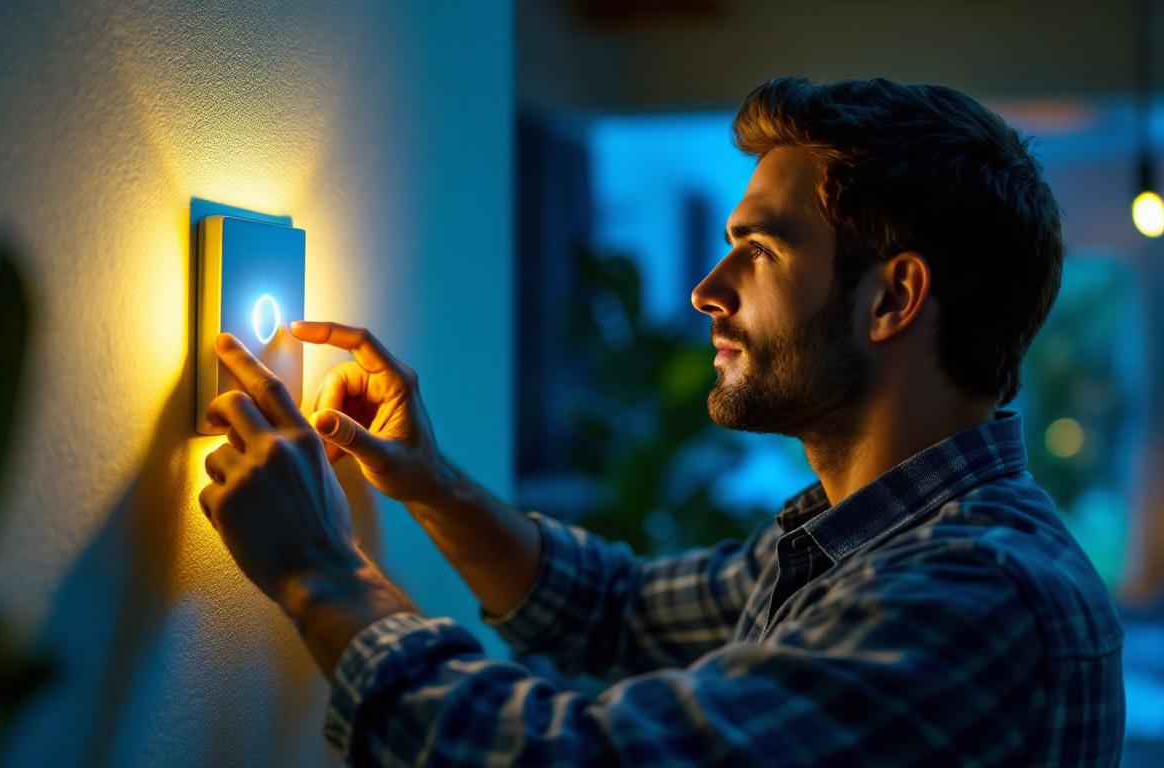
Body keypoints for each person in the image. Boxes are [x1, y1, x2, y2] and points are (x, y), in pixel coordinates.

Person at [196, 77, 1124, 766]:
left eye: (759, 250)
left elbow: (580, 759)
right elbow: (617, 610)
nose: (707, 291)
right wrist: (430, 484)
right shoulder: (862, 540)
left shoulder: (974, 597)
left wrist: (321, 569)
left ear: (893, 299)